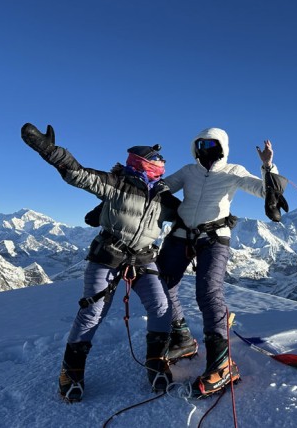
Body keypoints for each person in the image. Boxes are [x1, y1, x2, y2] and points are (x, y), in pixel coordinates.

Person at [21, 123, 181, 402]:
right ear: (142, 162)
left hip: (143, 257)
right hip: (109, 254)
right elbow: (78, 175)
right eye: (156, 159)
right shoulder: (117, 184)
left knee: (162, 307)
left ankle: (156, 363)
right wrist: (49, 150)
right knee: (92, 313)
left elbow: (189, 216)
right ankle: (71, 372)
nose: (161, 163)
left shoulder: (163, 198)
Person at [156, 127, 281, 398]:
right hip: (181, 232)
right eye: (201, 144)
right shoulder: (189, 171)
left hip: (214, 236)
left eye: (211, 144)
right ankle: (183, 339)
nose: (205, 148)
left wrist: (267, 165)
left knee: (209, 293)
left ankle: (221, 363)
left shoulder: (233, 171)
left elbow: (263, 190)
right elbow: (164, 186)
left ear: (222, 146)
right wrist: (144, 177)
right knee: (161, 284)